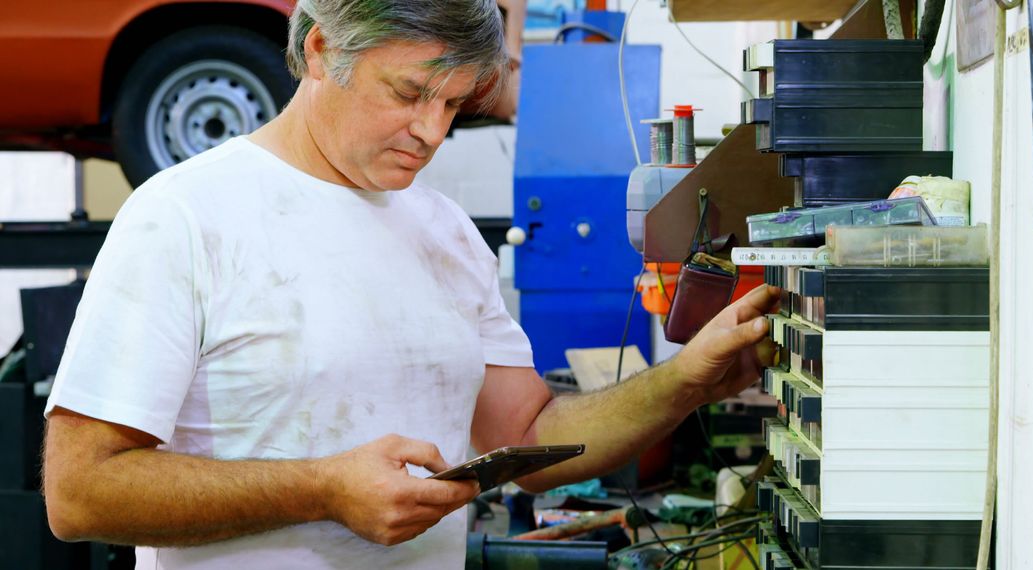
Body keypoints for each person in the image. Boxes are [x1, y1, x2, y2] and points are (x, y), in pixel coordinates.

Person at [41, 1, 779, 568]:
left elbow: (526, 439)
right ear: (324, 51)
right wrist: (321, 488)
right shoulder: (183, 216)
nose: (431, 131)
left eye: (454, 104)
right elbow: (79, 493)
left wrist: (686, 380)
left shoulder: (447, 232)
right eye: (408, 93)